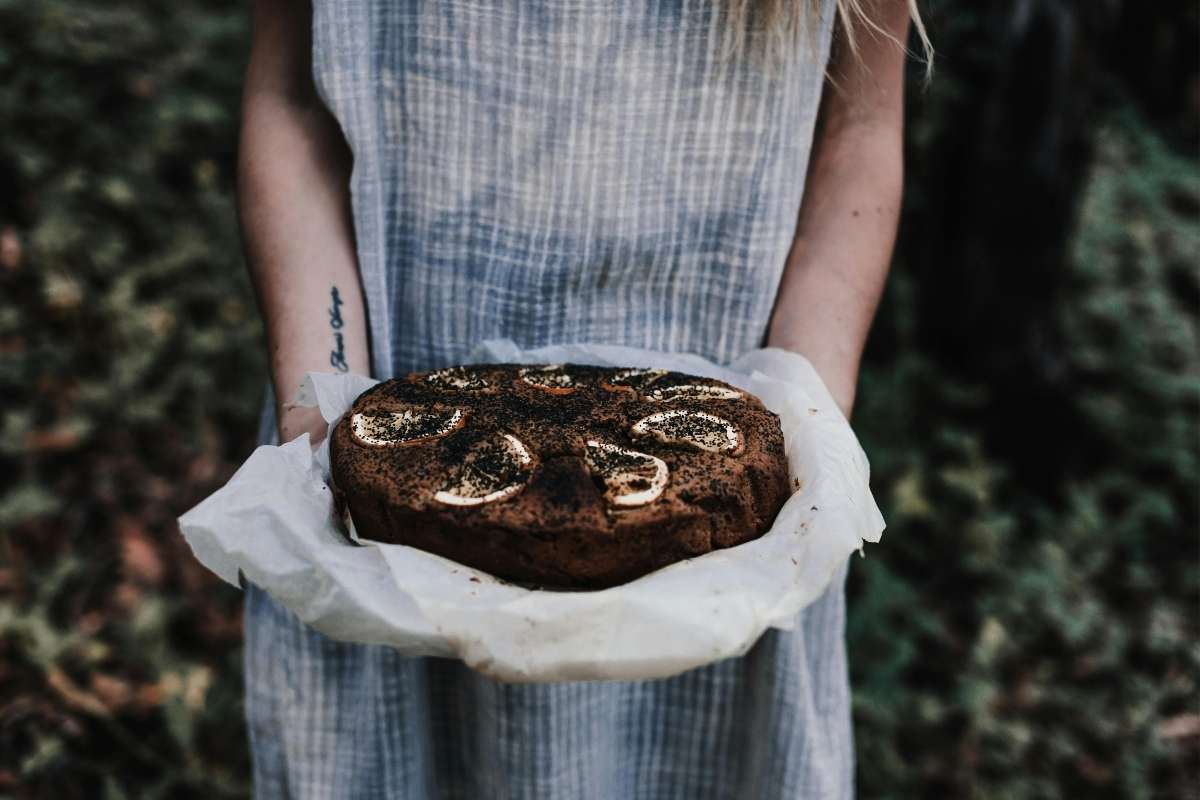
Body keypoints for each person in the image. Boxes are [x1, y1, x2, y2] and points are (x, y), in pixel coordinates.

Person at [237, 0, 929, 796]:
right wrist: (320, 409)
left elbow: (861, 127)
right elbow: (291, 101)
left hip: (726, 536)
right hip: (380, 500)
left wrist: (801, 412)